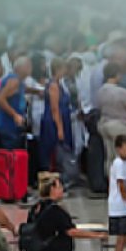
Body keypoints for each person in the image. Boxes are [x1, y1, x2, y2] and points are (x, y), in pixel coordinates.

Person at [40, 58, 79, 186]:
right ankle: (54, 179)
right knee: (56, 150)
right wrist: (60, 128)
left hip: (62, 119)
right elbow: (55, 108)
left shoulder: (59, 84)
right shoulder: (54, 86)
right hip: (54, 122)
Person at [98, 62, 126, 174]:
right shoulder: (121, 92)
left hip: (104, 124)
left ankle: (111, 182)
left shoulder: (101, 91)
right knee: (122, 156)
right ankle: (122, 181)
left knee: (110, 156)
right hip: (119, 126)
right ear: (116, 74)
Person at [0, 56, 31, 150]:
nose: (30, 69)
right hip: (9, 126)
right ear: (20, 68)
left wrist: (39, 91)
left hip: (9, 126)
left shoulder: (16, 81)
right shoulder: (14, 81)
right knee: (10, 157)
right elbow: (0, 99)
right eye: (28, 66)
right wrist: (14, 115)